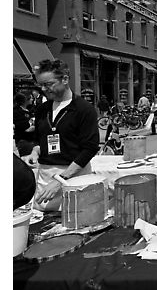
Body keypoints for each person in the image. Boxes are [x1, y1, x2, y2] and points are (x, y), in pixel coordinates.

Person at [21, 59, 100, 212]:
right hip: (46, 177)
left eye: (48, 84)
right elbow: (39, 140)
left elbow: (89, 149)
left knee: (77, 221)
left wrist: (61, 179)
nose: (44, 89)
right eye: (41, 85)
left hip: (75, 177)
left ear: (64, 79)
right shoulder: (42, 109)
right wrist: (35, 152)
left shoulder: (84, 109)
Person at [14, 92, 36, 157]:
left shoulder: (29, 110)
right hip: (23, 141)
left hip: (32, 140)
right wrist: (35, 126)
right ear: (25, 100)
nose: (32, 99)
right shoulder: (17, 112)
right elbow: (27, 129)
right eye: (31, 98)